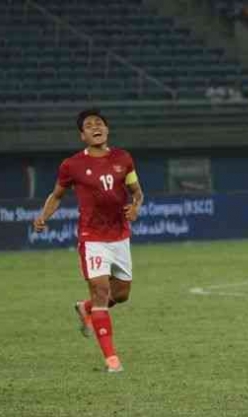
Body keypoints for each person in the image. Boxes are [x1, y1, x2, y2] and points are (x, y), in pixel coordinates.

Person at [33, 109, 144, 373]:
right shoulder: (72, 165)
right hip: (92, 237)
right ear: (82, 135)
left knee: (121, 295)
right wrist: (43, 216)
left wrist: (136, 206)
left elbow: (137, 193)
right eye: (89, 125)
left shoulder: (123, 159)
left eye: (100, 123)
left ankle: (86, 308)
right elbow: (57, 195)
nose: (96, 127)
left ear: (107, 130)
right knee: (102, 292)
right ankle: (112, 360)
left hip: (120, 236)